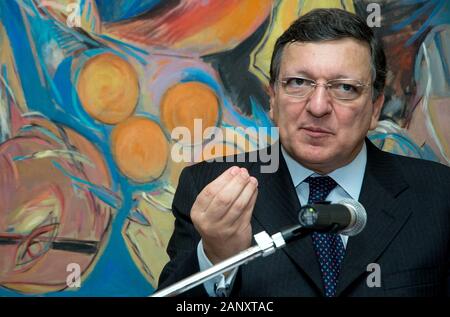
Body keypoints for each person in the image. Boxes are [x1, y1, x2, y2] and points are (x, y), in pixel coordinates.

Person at [157, 8, 450, 297]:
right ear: (273, 99)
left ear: (375, 108)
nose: (318, 106)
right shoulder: (208, 186)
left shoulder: (439, 194)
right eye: (298, 83)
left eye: (345, 88)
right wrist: (216, 256)